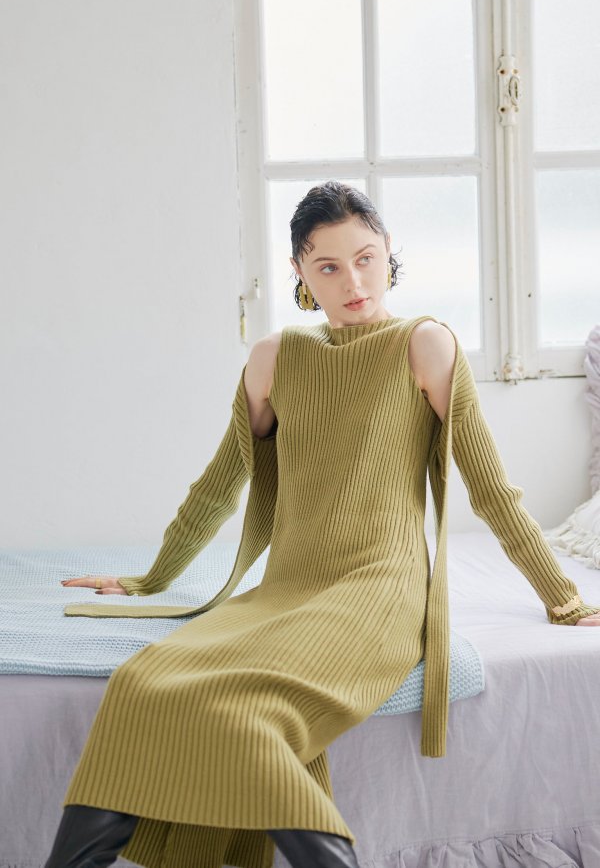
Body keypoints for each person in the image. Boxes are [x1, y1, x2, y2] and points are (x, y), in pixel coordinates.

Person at [45, 181, 600, 868]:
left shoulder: (424, 345)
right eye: (328, 266)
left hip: (379, 590)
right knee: (139, 682)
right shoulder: (274, 357)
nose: (353, 282)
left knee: (246, 715)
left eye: (365, 258)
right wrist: (149, 580)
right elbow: (221, 482)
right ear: (300, 273)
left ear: (389, 250)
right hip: (288, 587)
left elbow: (490, 491)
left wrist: (564, 599)